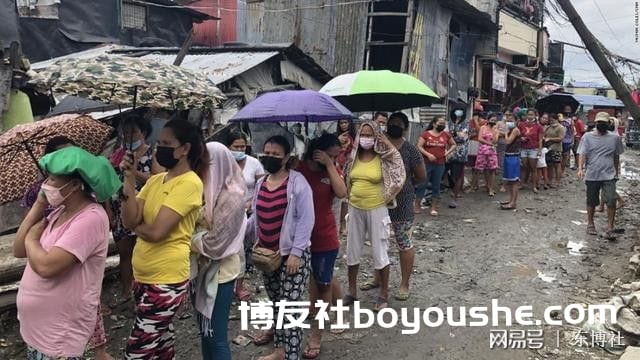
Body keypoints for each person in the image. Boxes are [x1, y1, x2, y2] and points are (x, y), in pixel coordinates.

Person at [14, 146, 121, 360]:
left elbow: (46, 266)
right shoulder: (59, 212)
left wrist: (32, 239)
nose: (46, 185)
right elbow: (18, 250)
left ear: (74, 186)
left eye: (53, 180)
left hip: (58, 339)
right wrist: (39, 203)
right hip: (38, 333)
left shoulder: (90, 218)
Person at [120, 119, 207, 359]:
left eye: (167, 143)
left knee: (138, 350)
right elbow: (129, 220)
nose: (159, 149)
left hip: (166, 280)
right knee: (161, 342)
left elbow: (158, 232)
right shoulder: (157, 180)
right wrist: (128, 178)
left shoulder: (190, 183)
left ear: (185, 149)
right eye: (158, 143)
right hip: (143, 275)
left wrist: (138, 226)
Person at [249, 136, 314, 360]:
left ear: (287, 158)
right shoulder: (261, 183)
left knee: (290, 308)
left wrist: (296, 253)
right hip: (268, 256)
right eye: (267, 152)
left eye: (276, 154)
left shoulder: (297, 183)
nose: (270, 157)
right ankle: (280, 350)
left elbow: (307, 220)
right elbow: (254, 219)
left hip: (292, 257)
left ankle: (292, 355)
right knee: (277, 304)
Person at [191, 142, 247, 360]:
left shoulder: (232, 196)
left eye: (204, 164)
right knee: (205, 333)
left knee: (216, 335)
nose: (200, 168)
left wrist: (187, 238)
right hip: (201, 270)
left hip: (221, 272)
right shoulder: (205, 188)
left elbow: (216, 244)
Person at [344, 121, 405, 311]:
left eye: (370, 135)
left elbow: (398, 168)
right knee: (352, 250)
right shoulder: (353, 157)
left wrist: (388, 194)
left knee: (380, 250)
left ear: (377, 136)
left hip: (377, 208)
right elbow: (347, 178)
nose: (366, 138)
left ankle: (383, 293)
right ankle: (352, 291)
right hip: (355, 207)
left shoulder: (384, 157)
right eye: (363, 134)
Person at [296, 134, 347, 359]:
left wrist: (329, 165)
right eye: (331, 154)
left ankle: (317, 333)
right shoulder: (298, 168)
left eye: (336, 156)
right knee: (311, 279)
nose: (335, 159)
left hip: (325, 236)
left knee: (324, 282)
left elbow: (342, 193)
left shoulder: (332, 170)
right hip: (299, 237)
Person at [108, 115, 156, 306]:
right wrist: (108, 210)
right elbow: (110, 182)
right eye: (126, 132)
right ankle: (127, 289)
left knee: (143, 250)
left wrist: (133, 171)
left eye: (134, 132)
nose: (129, 136)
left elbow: (156, 179)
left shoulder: (152, 153)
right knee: (125, 252)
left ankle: (144, 291)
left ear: (143, 133)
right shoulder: (118, 153)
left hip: (144, 207)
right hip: (120, 206)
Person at [385, 112, 426, 300]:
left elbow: (421, 175)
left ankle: (404, 283)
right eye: (391, 122)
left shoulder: (410, 150)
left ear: (405, 128)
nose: (394, 125)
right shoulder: (379, 147)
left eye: (398, 123)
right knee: (380, 242)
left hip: (402, 202)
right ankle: (379, 278)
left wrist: (404, 185)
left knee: (404, 243)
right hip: (379, 201)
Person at [227, 130, 265, 300]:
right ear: (228, 147)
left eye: (243, 146)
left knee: (242, 250)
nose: (240, 149)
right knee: (228, 250)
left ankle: (239, 285)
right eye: (236, 146)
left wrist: (252, 202)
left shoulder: (254, 163)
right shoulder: (223, 163)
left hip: (248, 210)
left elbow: (262, 184)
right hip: (227, 211)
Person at [577, 112, 624, 240]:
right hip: (592, 173)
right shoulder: (587, 137)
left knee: (611, 199)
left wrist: (616, 171)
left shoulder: (614, 138)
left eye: (604, 123)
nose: (601, 125)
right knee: (592, 200)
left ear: (608, 124)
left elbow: (616, 155)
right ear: (596, 123)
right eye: (599, 123)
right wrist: (580, 168)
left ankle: (610, 227)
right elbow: (582, 153)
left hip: (609, 174)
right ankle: (590, 223)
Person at [416, 116, 456, 216]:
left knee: (436, 185)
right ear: (434, 124)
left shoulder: (446, 135)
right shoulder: (426, 134)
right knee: (422, 184)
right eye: (440, 123)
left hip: (440, 164)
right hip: (426, 163)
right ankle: (417, 206)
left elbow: (454, 145)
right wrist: (428, 154)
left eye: (443, 123)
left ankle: (433, 208)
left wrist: (447, 153)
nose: (442, 125)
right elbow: (419, 146)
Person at [334, 118, 357, 235]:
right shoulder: (335, 137)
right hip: (337, 168)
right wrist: (338, 141)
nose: (343, 125)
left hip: (349, 169)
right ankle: (337, 223)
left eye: (345, 122)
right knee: (337, 198)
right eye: (341, 122)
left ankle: (343, 223)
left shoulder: (354, 137)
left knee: (346, 199)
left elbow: (355, 152)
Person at [446, 107, 469, 207]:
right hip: (448, 153)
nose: (459, 112)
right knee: (446, 174)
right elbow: (445, 136)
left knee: (457, 176)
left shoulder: (466, 124)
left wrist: (453, 135)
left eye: (461, 110)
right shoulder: (449, 123)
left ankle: (454, 198)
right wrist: (455, 135)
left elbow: (462, 138)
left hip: (460, 154)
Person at [518, 109, 544, 193]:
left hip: (534, 148)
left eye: (531, 115)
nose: (530, 116)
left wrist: (539, 150)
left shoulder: (538, 126)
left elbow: (540, 139)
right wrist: (521, 138)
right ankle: (522, 184)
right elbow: (517, 135)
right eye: (528, 114)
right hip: (523, 148)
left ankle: (534, 186)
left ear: (535, 115)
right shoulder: (521, 124)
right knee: (524, 167)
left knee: (533, 168)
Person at [475, 113, 499, 197]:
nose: (493, 122)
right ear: (488, 120)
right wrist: (489, 143)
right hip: (483, 151)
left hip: (492, 152)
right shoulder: (483, 127)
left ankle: (491, 188)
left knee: (492, 169)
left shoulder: (496, 129)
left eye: (495, 120)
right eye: (492, 120)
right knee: (485, 169)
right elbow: (480, 138)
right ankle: (487, 186)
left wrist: (495, 132)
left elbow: (495, 141)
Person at [500, 118, 522, 210]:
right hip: (509, 155)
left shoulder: (515, 130)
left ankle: (513, 202)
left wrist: (505, 132)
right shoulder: (510, 129)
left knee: (514, 181)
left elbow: (508, 141)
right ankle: (511, 200)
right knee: (510, 180)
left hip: (513, 156)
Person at [543, 114, 565, 188]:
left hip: (556, 148)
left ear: (557, 119)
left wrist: (550, 139)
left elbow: (561, 138)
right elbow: (544, 135)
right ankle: (549, 180)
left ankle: (557, 181)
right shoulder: (548, 127)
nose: (551, 121)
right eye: (550, 120)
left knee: (557, 165)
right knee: (549, 165)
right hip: (548, 148)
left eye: (553, 120)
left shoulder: (560, 128)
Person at [467, 112, 485, 192]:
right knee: (473, 166)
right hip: (472, 144)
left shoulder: (483, 122)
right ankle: (475, 184)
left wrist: (476, 122)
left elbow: (479, 132)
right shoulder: (470, 122)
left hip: (479, 145)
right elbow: (468, 133)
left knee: (477, 166)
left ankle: (474, 185)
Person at [560, 109, 576, 177]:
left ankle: (562, 171)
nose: (567, 111)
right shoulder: (559, 118)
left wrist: (573, 140)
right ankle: (559, 171)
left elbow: (572, 132)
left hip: (567, 141)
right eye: (566, 109)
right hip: (560, 140)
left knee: (565, 156)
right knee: (559, 157)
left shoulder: (571, 120)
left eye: (569, 109)